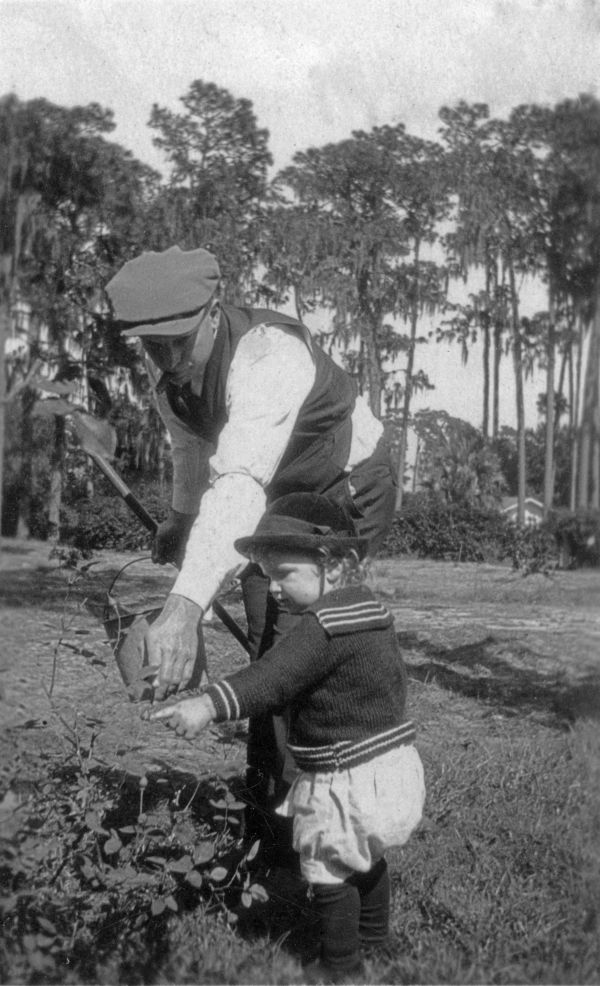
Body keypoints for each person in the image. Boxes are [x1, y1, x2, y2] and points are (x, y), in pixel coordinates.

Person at [105, 245, 397, 852]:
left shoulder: (268, 354)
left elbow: (238, 482)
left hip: (341, 487)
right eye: (150, 345)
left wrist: (185, 609)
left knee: (306, 644)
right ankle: (271, 819)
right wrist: (180, 521)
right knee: (273, 643)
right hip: (273, 493)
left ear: (214, 311)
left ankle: (338, 814)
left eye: (176, 342)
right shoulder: (171, 384)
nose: (165, 359)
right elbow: (194, 454)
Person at [147, 494, 425, 984]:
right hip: (390, 766)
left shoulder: (324, 626)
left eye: (285, 575)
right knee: (365, 856)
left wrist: (207, 705)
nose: (274, 590)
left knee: (325, 867)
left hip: (347, 776)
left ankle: (340, 966)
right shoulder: (370, 610)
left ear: (335, 566)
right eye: (268, 575)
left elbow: (271, 679)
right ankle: (376, 939)